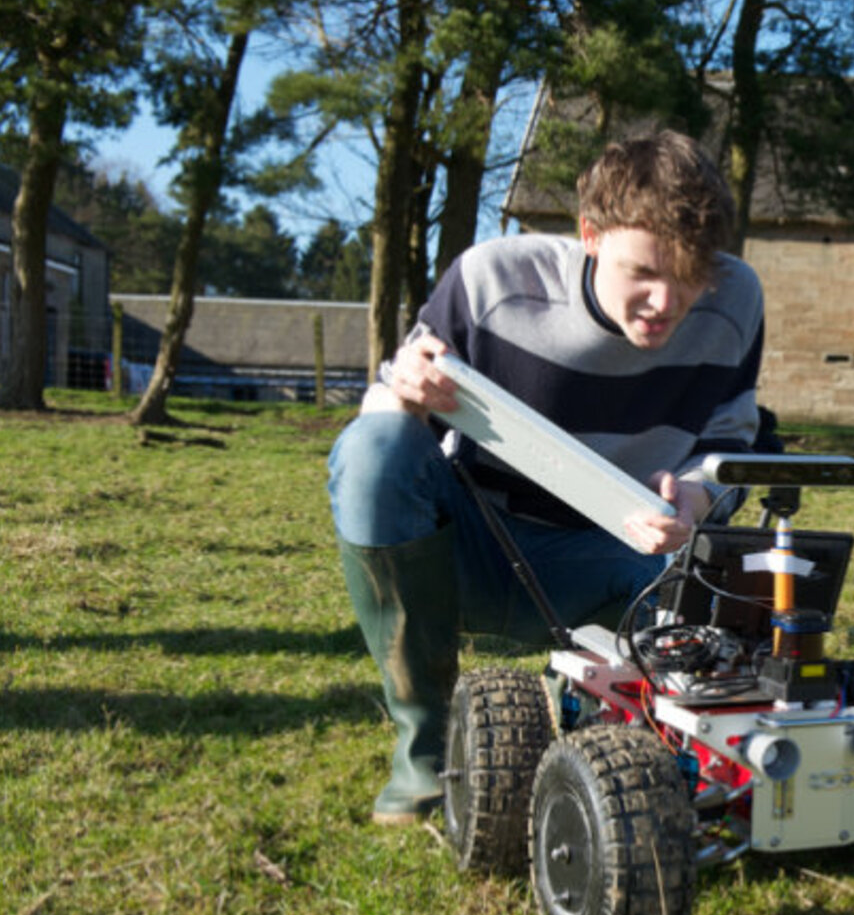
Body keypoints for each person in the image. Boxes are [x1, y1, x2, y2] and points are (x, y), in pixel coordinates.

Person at [327, 131, 764, 825]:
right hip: (475, 543)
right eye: (643, 271)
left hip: (622, 556)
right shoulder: (492, 279)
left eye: (690, 275)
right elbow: (381, 421)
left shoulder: (737, 297)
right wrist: (403, 392)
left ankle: (666, 760)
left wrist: (696, 500)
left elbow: (731, 446)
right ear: (589, 234)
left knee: (719, 572)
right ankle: (426, 750)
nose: (666, 299)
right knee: (372, 451)